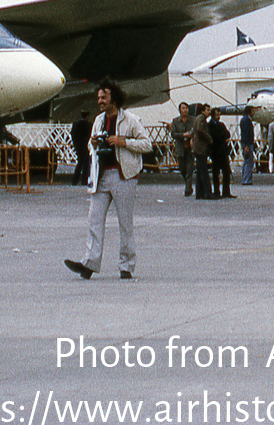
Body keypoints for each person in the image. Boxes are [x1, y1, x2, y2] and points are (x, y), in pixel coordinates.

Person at [64, 80, 152, 280]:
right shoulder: (98, 120)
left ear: (114, 97)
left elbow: (147, 144)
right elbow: (90, 146)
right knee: (94, 220)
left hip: (123, 176)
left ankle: (126, 266)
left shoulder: (130, 119)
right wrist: (93, 142)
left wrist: (123, 142)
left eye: (103, 97)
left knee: (125, 223)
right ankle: (89, 263)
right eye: (98, 98)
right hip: (101, 175)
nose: (100, 101)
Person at [209, 107, 235, 198]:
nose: (218, 116)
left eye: (219, 114)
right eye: (217, 114)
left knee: (226, 172)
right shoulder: (210, 125)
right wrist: (221, 135)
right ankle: (216, 191)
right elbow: (215, 136)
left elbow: (227, 134)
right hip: (215, 152)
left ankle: (226, 192)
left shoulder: (221, 124)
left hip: (223, 151)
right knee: (216, 173)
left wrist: (222, 135)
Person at [169, 103, 194, 196]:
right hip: (180, 148)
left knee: (190, 169)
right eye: (183, 108)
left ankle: (187, 189)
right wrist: (183, 135)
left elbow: (195, 130)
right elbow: (173, 134)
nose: (185, 110)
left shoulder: (193, 120)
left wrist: (190, 134)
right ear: (180, 110)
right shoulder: (175, 121)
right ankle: (188, 185)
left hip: (190, 148)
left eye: (186, 108)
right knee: (182, 168)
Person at [190, 104, 213, 199]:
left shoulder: (198, 118)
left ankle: (199, 193)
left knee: (200, 171)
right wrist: (209, 138)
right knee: (203, 171)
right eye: (207, 110)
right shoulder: (201, 119)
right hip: (200, 148)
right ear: (203, 111)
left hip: (197, 147)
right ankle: (207, 192)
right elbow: (200, 130)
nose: (209, 112)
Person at [70, 110, 93, 188]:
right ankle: (84, 180)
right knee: (86, 163)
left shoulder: (75, 124)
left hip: (78, 146)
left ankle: (75, 180)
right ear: (87, 117)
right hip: (85, 145)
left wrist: (76, 144)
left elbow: (72, 135)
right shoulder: (89, 125)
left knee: (80, 162)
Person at [239, 105, 255, 186]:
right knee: (249, 161)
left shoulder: (245, 119)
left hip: (246, 142)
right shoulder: (246, 120)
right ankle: (246, 179)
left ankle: (245, 178)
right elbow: (246, 133)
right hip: (247, 143)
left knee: (246, 161)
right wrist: (246, 145)